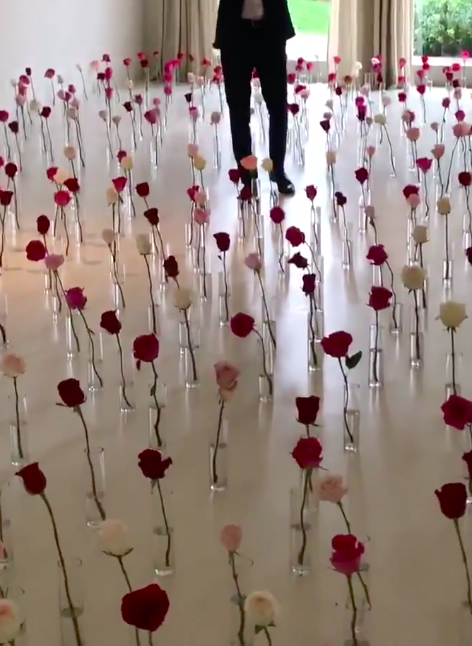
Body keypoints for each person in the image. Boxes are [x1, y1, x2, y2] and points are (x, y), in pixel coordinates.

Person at [214, 0, 296, 196]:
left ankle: (278, 171)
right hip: (235, 33)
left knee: (277, 107)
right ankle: (247, 175)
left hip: (270, 32)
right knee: (238, 108)